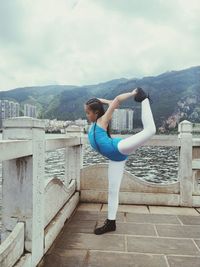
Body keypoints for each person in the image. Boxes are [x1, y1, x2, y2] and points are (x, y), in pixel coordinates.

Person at [84, 87, 156, 235]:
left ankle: (144, 98)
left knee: (150, 130)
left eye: (88, 112)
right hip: (115, 158)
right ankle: (111, 223)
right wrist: (100, 100)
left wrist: (133, 94)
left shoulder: (102, 121)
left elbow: (116, 100)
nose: (86, 115)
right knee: (112, 190)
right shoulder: (93, 125)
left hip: (119, 148)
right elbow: (111, 102)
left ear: (96, 113)